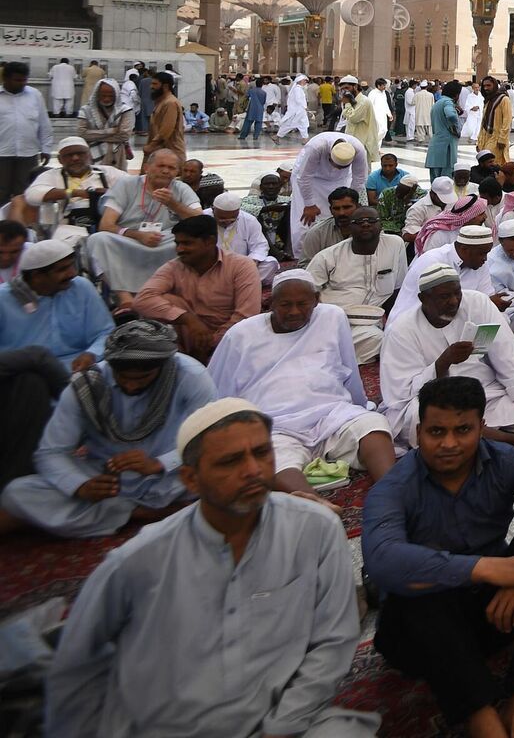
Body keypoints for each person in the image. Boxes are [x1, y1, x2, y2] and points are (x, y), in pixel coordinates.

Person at [42, 399, 377, 738]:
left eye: (262, 453)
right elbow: (76, 671)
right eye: (231, 461)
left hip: (280, 722)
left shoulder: (316, 529)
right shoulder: (137, 561)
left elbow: (334, 639)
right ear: (190, 479)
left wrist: (282, 726)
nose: (253, 471)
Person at [361, 375, 514, 738]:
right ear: (419, 432)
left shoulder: (505, 460)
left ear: (481, 427)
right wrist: (492, 570)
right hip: (418, 637)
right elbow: (382, 561)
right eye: (436, 432)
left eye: (463, 429)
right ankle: (484, 721)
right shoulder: (395, 486)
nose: (449, 443)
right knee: (415, 585)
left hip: (493, 618)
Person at [0, 321, 213, 539]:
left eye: (141, 378)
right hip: (107, 481)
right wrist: (80, 485)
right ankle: (136, 512)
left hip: (170, 478)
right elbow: (51, 453)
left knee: (217, 477)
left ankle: (106, 515)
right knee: (17, 492)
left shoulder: (191, 376)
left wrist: (159, 463)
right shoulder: (86, 385)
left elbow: (210, 437)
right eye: (123, 377)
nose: (131, 386)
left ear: (162, 367)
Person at [206, 271, 397, 506]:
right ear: (271, 303)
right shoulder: (241, 335)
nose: (294, 311)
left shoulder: (331, 317)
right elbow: (217, 389)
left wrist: (359, 407)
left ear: (316, 300)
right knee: (269, 456)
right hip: (276, 425)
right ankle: (317, 506)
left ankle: (390, 491)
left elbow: (348, 367)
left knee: (373, 425)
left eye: (302, 304)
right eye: (285, 304)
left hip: (331, 413)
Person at [381, 268, 514, 451]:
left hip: (484, 389)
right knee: (423, 420)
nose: (454, 301)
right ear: (423, 299)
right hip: (432, 398)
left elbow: (507, 353)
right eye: (444, 296)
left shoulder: (477, 303)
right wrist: (443, 362)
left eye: (457, 293)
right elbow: (402, 392)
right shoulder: (401, 330)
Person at [129, 214, 262, 361]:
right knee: (167, 300)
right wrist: (189, 319)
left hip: (229, 339)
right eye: (177, 243)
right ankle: (181, 360)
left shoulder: (241, 266)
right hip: (188, 338)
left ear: (209, 242)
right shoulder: (174, 267)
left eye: (187, 243)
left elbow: (247, 315)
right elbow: (141, 300)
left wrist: (212, 342)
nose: (180, 249)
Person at [88, 148, 203, 300]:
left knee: (196, 241)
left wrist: (173, 204)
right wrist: (138, 235)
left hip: (164, 240)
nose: (165, 171)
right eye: (161, 166)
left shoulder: (181, 188)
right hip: (128, 238)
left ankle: (168, 293)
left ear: (177, 172)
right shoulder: (126, 184)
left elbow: (201, 220)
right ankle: (125, 299)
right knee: (98, 239)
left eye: (171, 168)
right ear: (147, 167)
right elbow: (106, 224)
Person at [307, 206, 406, 362]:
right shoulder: (328, 256)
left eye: (371, 221)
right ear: (349, 228)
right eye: (359, 222)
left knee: (385, 339)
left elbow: (397, 289)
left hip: (368, 325)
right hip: (333, 320)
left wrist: (395, 324)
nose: (365, 225)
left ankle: (324, 353)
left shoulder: (395, 244)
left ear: (381, 226)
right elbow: (306, 290)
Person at [0, 238, 112, 370]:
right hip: (24, 372)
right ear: (37, 276)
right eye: (63, 269)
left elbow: (105, 333)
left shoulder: (81, 287)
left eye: (72, 266)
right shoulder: (4, 298)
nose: (72, 273)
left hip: (77, 367)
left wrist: (92, 354)